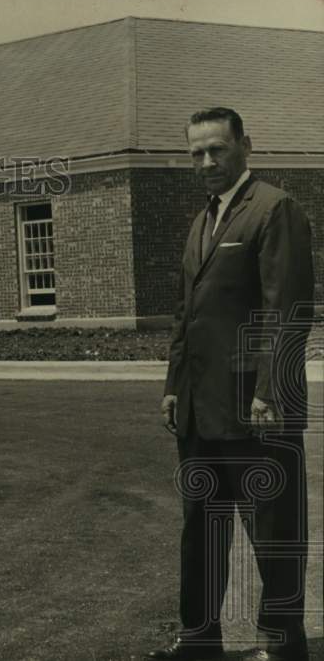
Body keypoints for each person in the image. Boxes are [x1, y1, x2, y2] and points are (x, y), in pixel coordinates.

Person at [149, 107, 315, 661]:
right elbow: (184, 314)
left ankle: (282, 645)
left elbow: (285, 311)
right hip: (200, 410)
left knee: (273, 532)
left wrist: (269, 391)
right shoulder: (203, 221)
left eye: (217, 149)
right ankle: (198, 643)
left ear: (246, 145)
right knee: (201, 532)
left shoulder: (273, 209)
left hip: (257, 409)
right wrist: (174, 387)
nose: (207, 162)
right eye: (196, 152)